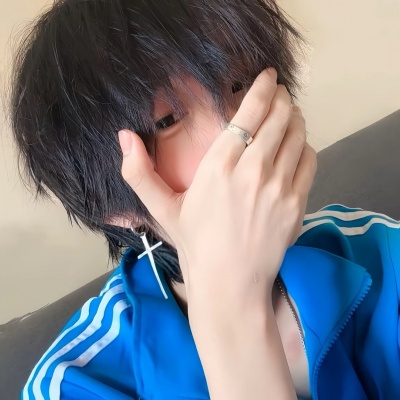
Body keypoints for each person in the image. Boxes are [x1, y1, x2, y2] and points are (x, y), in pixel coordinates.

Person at [9, 0, 400, 399]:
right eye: (167, 120)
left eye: (240, 84)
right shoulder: (75, 384)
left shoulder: (379, 252)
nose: (239, 132)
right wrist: (231, 307)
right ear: (115, 208)